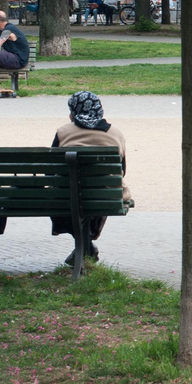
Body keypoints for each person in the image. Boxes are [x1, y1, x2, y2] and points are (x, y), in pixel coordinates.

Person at [49, 91, 129, 266]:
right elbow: (121, 170)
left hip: (66, 196)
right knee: (100, 193)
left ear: (74, 111)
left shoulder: (63, 131)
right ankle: (86, 246)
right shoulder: (116, 133)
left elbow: (51, 169)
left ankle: (84, 247)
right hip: (105, 197)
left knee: (67, 198)